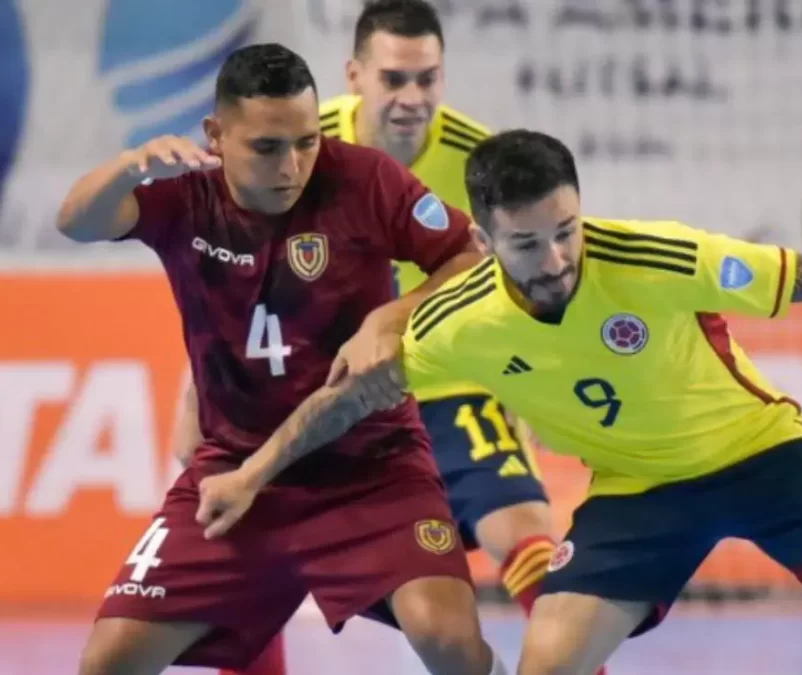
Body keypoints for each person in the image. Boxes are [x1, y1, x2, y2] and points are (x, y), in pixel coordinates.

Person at [196, 129, 802, 675]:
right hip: (634, 493)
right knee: (548, 663)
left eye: (566, 228)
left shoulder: (654, 256)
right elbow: (342, 400)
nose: (559, 254)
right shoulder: (458, 323)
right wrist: (255, 471)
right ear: (487, 241)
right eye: (529, 242)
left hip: (760, 452)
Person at [57, 43, 507, 675]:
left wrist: (391, 316)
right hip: (235, 471)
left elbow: (467, 257)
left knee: (452, 645)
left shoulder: (367, 178)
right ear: (216, 135)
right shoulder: (186, 198)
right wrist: (130, 166)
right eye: (267, 147)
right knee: (107, 664)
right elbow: (77, 222)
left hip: (373, 466)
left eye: (306, 141)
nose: (292, 165)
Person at [171, 6, 557, 675]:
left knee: (521, 527)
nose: (413, 97)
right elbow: (231, 285)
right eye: (394, 78)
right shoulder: (294, 146)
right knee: (239, 533)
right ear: (354, 76)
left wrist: (535, 383)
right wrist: (198, 394)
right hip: (319, 395)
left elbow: (529, 274)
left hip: (453, 379)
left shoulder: (483, 160)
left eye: (428, 78)